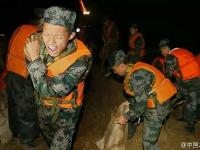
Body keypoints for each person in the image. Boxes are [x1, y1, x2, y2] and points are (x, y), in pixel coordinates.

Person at [24, 6, 92, 150]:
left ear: (71, 36)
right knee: (49, 139)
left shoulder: (81, 59)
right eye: (47, 34)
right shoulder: (38, 41)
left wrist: (35, 60)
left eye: (59, 37)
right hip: (43, 108)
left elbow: (49, 90)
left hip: (66, 113)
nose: (51, 42)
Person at [109, 50, 177, 150]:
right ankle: (130, 132)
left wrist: (126, 116)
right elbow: (140, 95)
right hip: (159, 100)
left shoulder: (136, 76)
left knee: (148, 143)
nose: (115, 72)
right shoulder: (134, 67)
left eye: (114, 69)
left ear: (121, 65)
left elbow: (142, 103)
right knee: (133, 107)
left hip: (159, 106)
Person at [5, 8, 44, 146]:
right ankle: (28, 138)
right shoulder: (36, 34)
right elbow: (38, 59)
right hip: (23, 75)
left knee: (14, 106)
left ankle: (16, 132)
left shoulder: (21, 28)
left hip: (11, 72)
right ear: (42, 22)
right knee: (27, 107)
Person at [159, 39, 200, 133]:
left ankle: (189, 125)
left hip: (188, 82)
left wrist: (163, 81)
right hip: (197, 79)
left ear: (165, 49)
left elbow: (169, 75)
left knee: (183, 98)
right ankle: (190, 121)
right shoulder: (181, 51)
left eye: (162, 51)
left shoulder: (170, 56)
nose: (162, 54)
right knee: (193, 101)